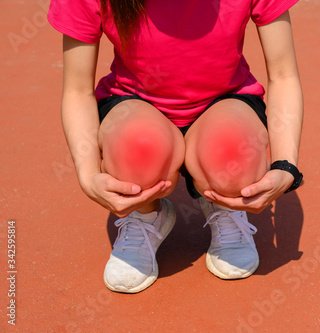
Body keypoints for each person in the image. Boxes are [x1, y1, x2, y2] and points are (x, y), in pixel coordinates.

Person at [48, 0, 304, 293]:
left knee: (233, 151)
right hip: (136, 104)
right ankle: (145, 214)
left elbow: (283, 75)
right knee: (137, 148)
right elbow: (77, 90)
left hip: (224, 102)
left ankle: (224, 203)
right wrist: (87, 173)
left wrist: (286, 166)